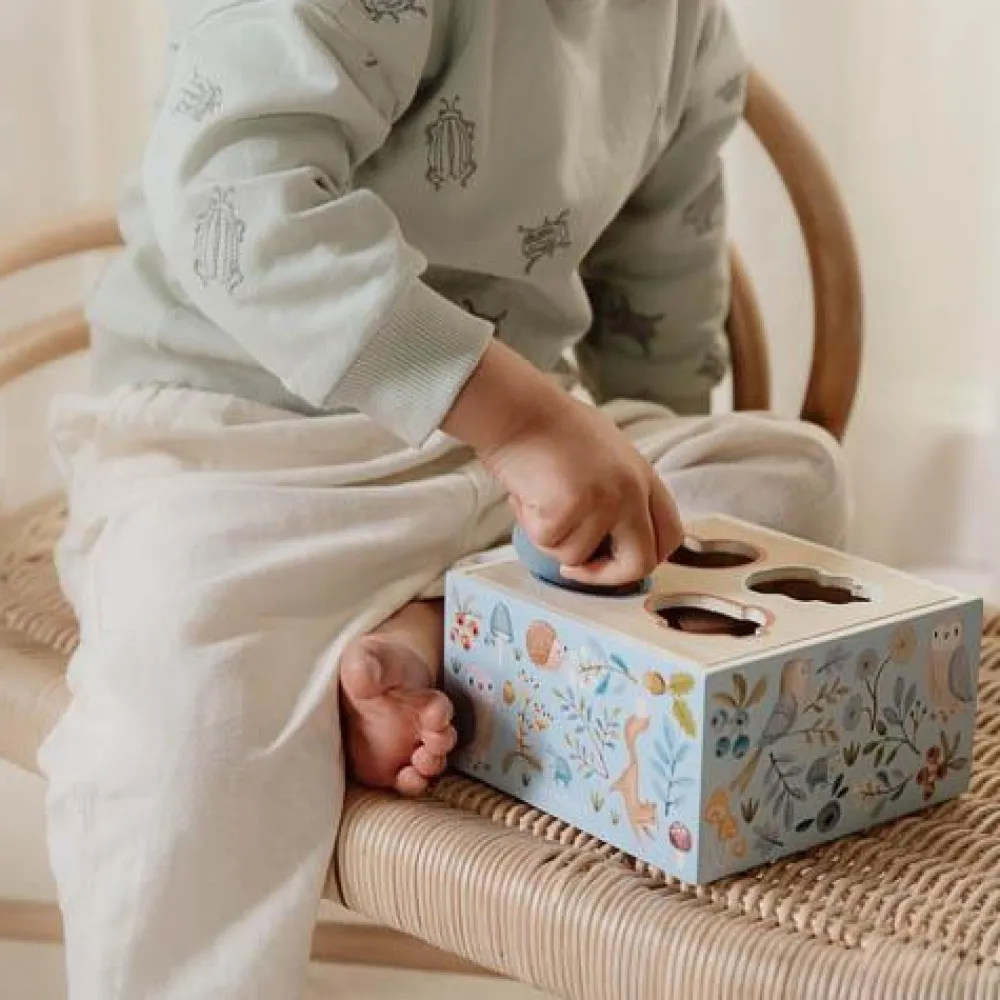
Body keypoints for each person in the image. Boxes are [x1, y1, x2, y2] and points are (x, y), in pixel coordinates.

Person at [40, 1, 848, 996]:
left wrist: (624, 500)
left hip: (507, 462)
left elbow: (660, 277)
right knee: (183, 712)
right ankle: (445, 629)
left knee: (786, 473)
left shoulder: (681, 21)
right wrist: (525, 422)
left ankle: (427, 627)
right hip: (246, 447)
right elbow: (236, 205)